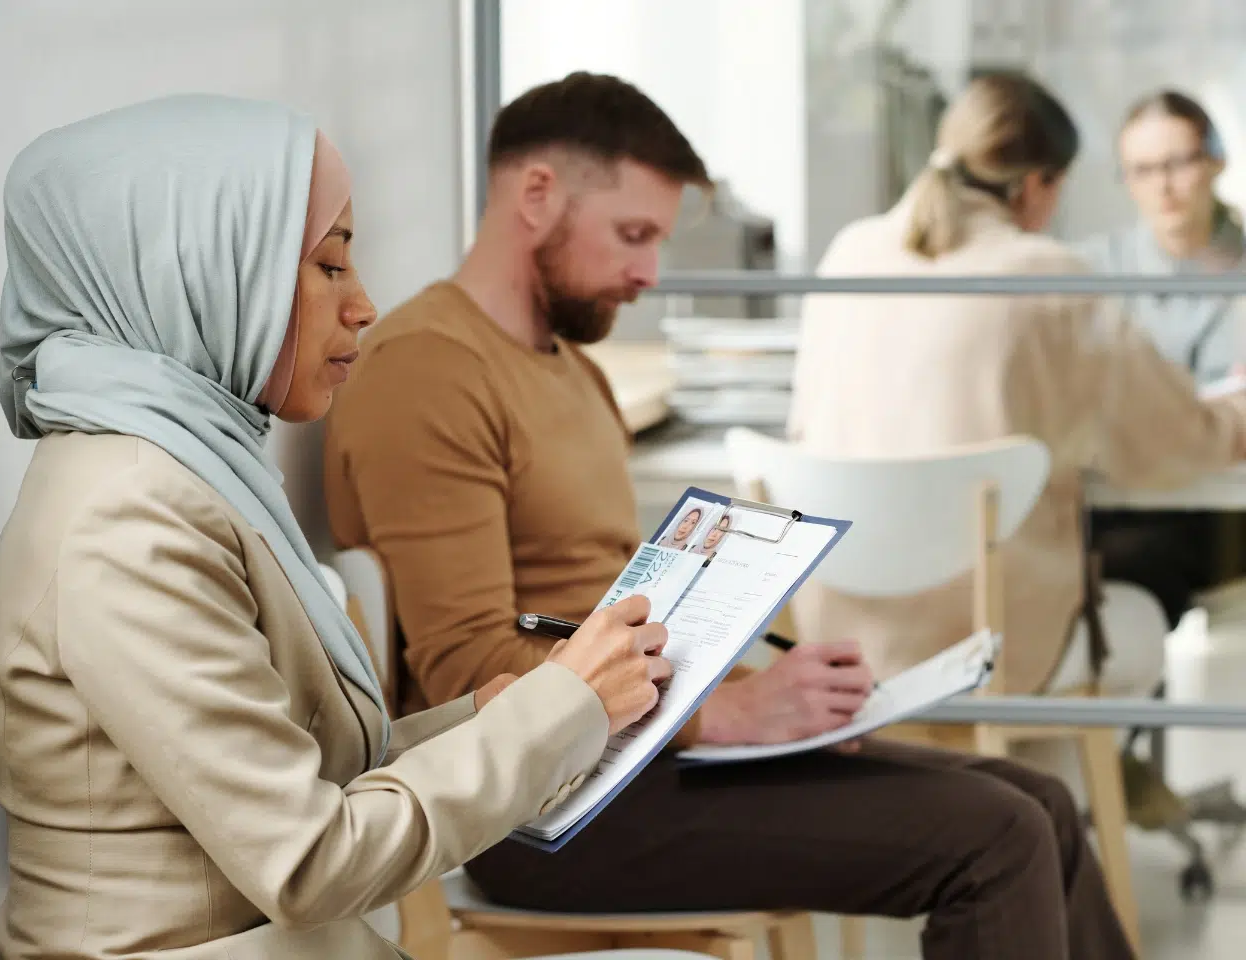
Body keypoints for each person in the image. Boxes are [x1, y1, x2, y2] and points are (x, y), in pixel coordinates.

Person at [326, 71, 1136, 960]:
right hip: (546, 814)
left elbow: (604, 612)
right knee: (999, 838)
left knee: (1042, 806)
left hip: (642, 761)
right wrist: (727, 719)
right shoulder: (429, 372)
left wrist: (765, 690)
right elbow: (464, 681)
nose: (649, 273)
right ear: (535, 195)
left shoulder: (565, 365)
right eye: (632, 235)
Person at [0, 93, 671, 960]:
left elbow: (275, 779)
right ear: (199, 266)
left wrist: (486, 717)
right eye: (329, 264)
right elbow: (307, 861)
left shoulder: (179, 469)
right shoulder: (128, 515)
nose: (365, 305)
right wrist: (559, 711)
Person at [787, 72, 1246, 711]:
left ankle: (1028, 804)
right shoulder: (1053, 274)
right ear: (1036, 186)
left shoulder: (849, 252)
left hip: (840, 636)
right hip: (988, 646)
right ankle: (1067, 799)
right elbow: (1172, 446)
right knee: (1131, 613)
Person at [1076, 90, 1246, 633]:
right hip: (1123, 488)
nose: (1163, 186)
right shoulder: (1091, 268)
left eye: (1178, 164)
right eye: (1143, 170)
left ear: (1216, 161)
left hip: (1224, 507)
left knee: (1131, 564)